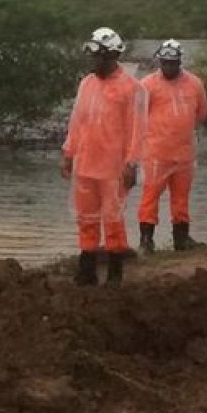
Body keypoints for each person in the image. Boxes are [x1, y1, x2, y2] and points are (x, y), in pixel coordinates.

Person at [61, 27, 146, 286]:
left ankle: (114, 271)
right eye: (93, 57)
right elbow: (77, 121)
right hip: (86, 163)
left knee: (112, 218)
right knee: (85, 218)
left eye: (99, 57)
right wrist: (68, 153)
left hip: (113, 167)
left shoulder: (132, 88)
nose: (94, 62)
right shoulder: (87, 84)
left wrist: (132, 163)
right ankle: (86, 269)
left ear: (111, 57)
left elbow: (138, 129)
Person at [137, 40, 207, 253]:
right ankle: (146, 241)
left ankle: (181, 239)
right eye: (165, 62)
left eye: (173, 63)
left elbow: (201, 113)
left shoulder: (195, 84)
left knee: (181, 198)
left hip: (184, 153)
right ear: (160, 61)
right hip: (155, 153)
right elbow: (137, 116)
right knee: (150, 197)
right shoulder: (147, 84)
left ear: (179, 62)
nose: (169, 66)